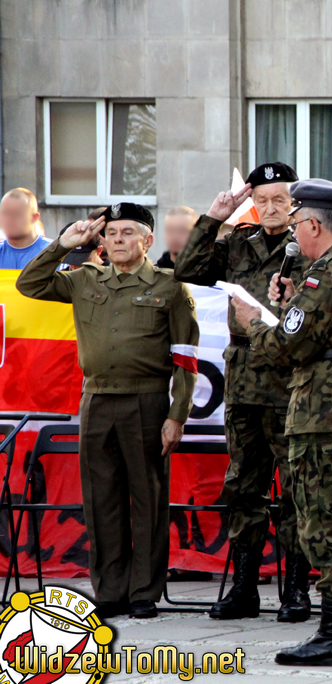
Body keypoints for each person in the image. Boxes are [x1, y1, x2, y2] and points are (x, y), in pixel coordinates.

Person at [232, 178, 332, 667]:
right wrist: (286, 308)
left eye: (298, 226)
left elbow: (288, 347)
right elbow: (323, 329)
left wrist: (253, 321)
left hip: (329, 407)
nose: (294, 238)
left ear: (310, 223)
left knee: (326, 519)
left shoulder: (328, 272)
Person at [17, 203, 199, 619]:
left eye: (127, 233)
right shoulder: (84, 280)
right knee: (102, 501)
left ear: (148, 241)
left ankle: (144, 592)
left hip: (147, 400)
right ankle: (110, 590)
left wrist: (177, 415)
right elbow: (30, 283)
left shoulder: (171, 287)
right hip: (97, 398)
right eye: (111, 233)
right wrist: (63, 245)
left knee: (148, 498)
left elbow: (185, 358)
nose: (117, 240)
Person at [174, 162, 314, 623]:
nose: (271, 208)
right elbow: (188, 269)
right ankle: (244, 587)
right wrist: (214, 217)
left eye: (280, 199)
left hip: (292, 381)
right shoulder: (238, 242)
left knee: (295, 491)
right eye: (264, 200)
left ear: (294, 203)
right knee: (243, 488)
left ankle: (296, 588)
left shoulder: (309, 246)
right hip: (245, 380)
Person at [0, 188, 50, 269]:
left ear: (34, 218)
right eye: (5, 213)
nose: (9, 219)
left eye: (17, 214)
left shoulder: (52, 254)